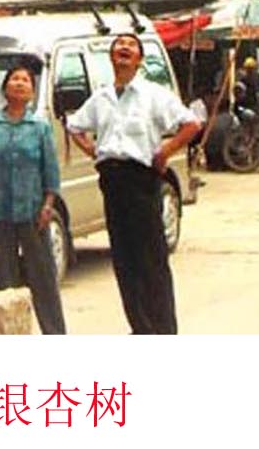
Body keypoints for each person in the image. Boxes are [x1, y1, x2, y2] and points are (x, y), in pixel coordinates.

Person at [66, 32, 199, 334]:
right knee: (124, 259)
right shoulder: (101, 98)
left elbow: (191, 124)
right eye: (118, 46)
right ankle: (140, 326)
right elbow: (74, 125)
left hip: (142, 178)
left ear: (139, 59)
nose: (124, 49)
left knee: (151, 256)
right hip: (112, 180)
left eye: (130, 46)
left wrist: (165, 150)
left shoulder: (153, 94)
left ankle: (163, 329)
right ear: (111, 57)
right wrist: (93, 151)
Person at [0, 63, 66, 334]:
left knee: (43, 275)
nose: (20, 83)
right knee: (4, 277)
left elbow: (50, 169)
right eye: (15, 79)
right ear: (5, 88)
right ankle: (9, 333)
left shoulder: (40, 127)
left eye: (25, 80)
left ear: (32, 92)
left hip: (34, 210)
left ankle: (55, 332)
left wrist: (48, 204)